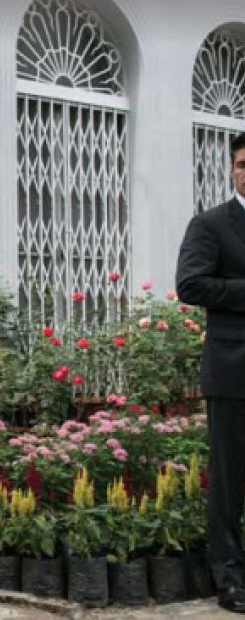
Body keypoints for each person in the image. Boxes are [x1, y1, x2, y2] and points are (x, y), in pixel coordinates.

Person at [176, 132, 245, 614]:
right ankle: (229, 575)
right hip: (234, 370)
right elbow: (191, 284)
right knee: (229, 480)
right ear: (232, 170)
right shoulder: (211, 224)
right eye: (243, 163)